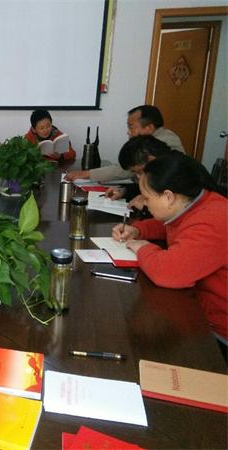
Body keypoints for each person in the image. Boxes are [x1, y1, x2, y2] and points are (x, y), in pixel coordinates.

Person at [111, 152, 227, 354]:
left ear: (168, 197)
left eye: (147, 198)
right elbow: (172, 225)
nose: (144, 203)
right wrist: (138, 230)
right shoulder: (196, 204)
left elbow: (167, 272)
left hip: (218, 332)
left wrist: (143, 247)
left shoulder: (214, 219)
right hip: (199, 311)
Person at [65, 105, 185, 182]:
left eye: (131, 127)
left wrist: (86, 174)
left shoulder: (165, 141)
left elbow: (124, 170)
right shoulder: (151, 140)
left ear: (148, 128)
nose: (128, 132)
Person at [104, 135, 173, 210]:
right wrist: (124, 191)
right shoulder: (161, 170)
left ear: (151, 159)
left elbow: (170, 209)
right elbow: (140, 190)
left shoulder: (176, 175)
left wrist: (148, 206)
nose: (139, 177)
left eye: (140, 172)